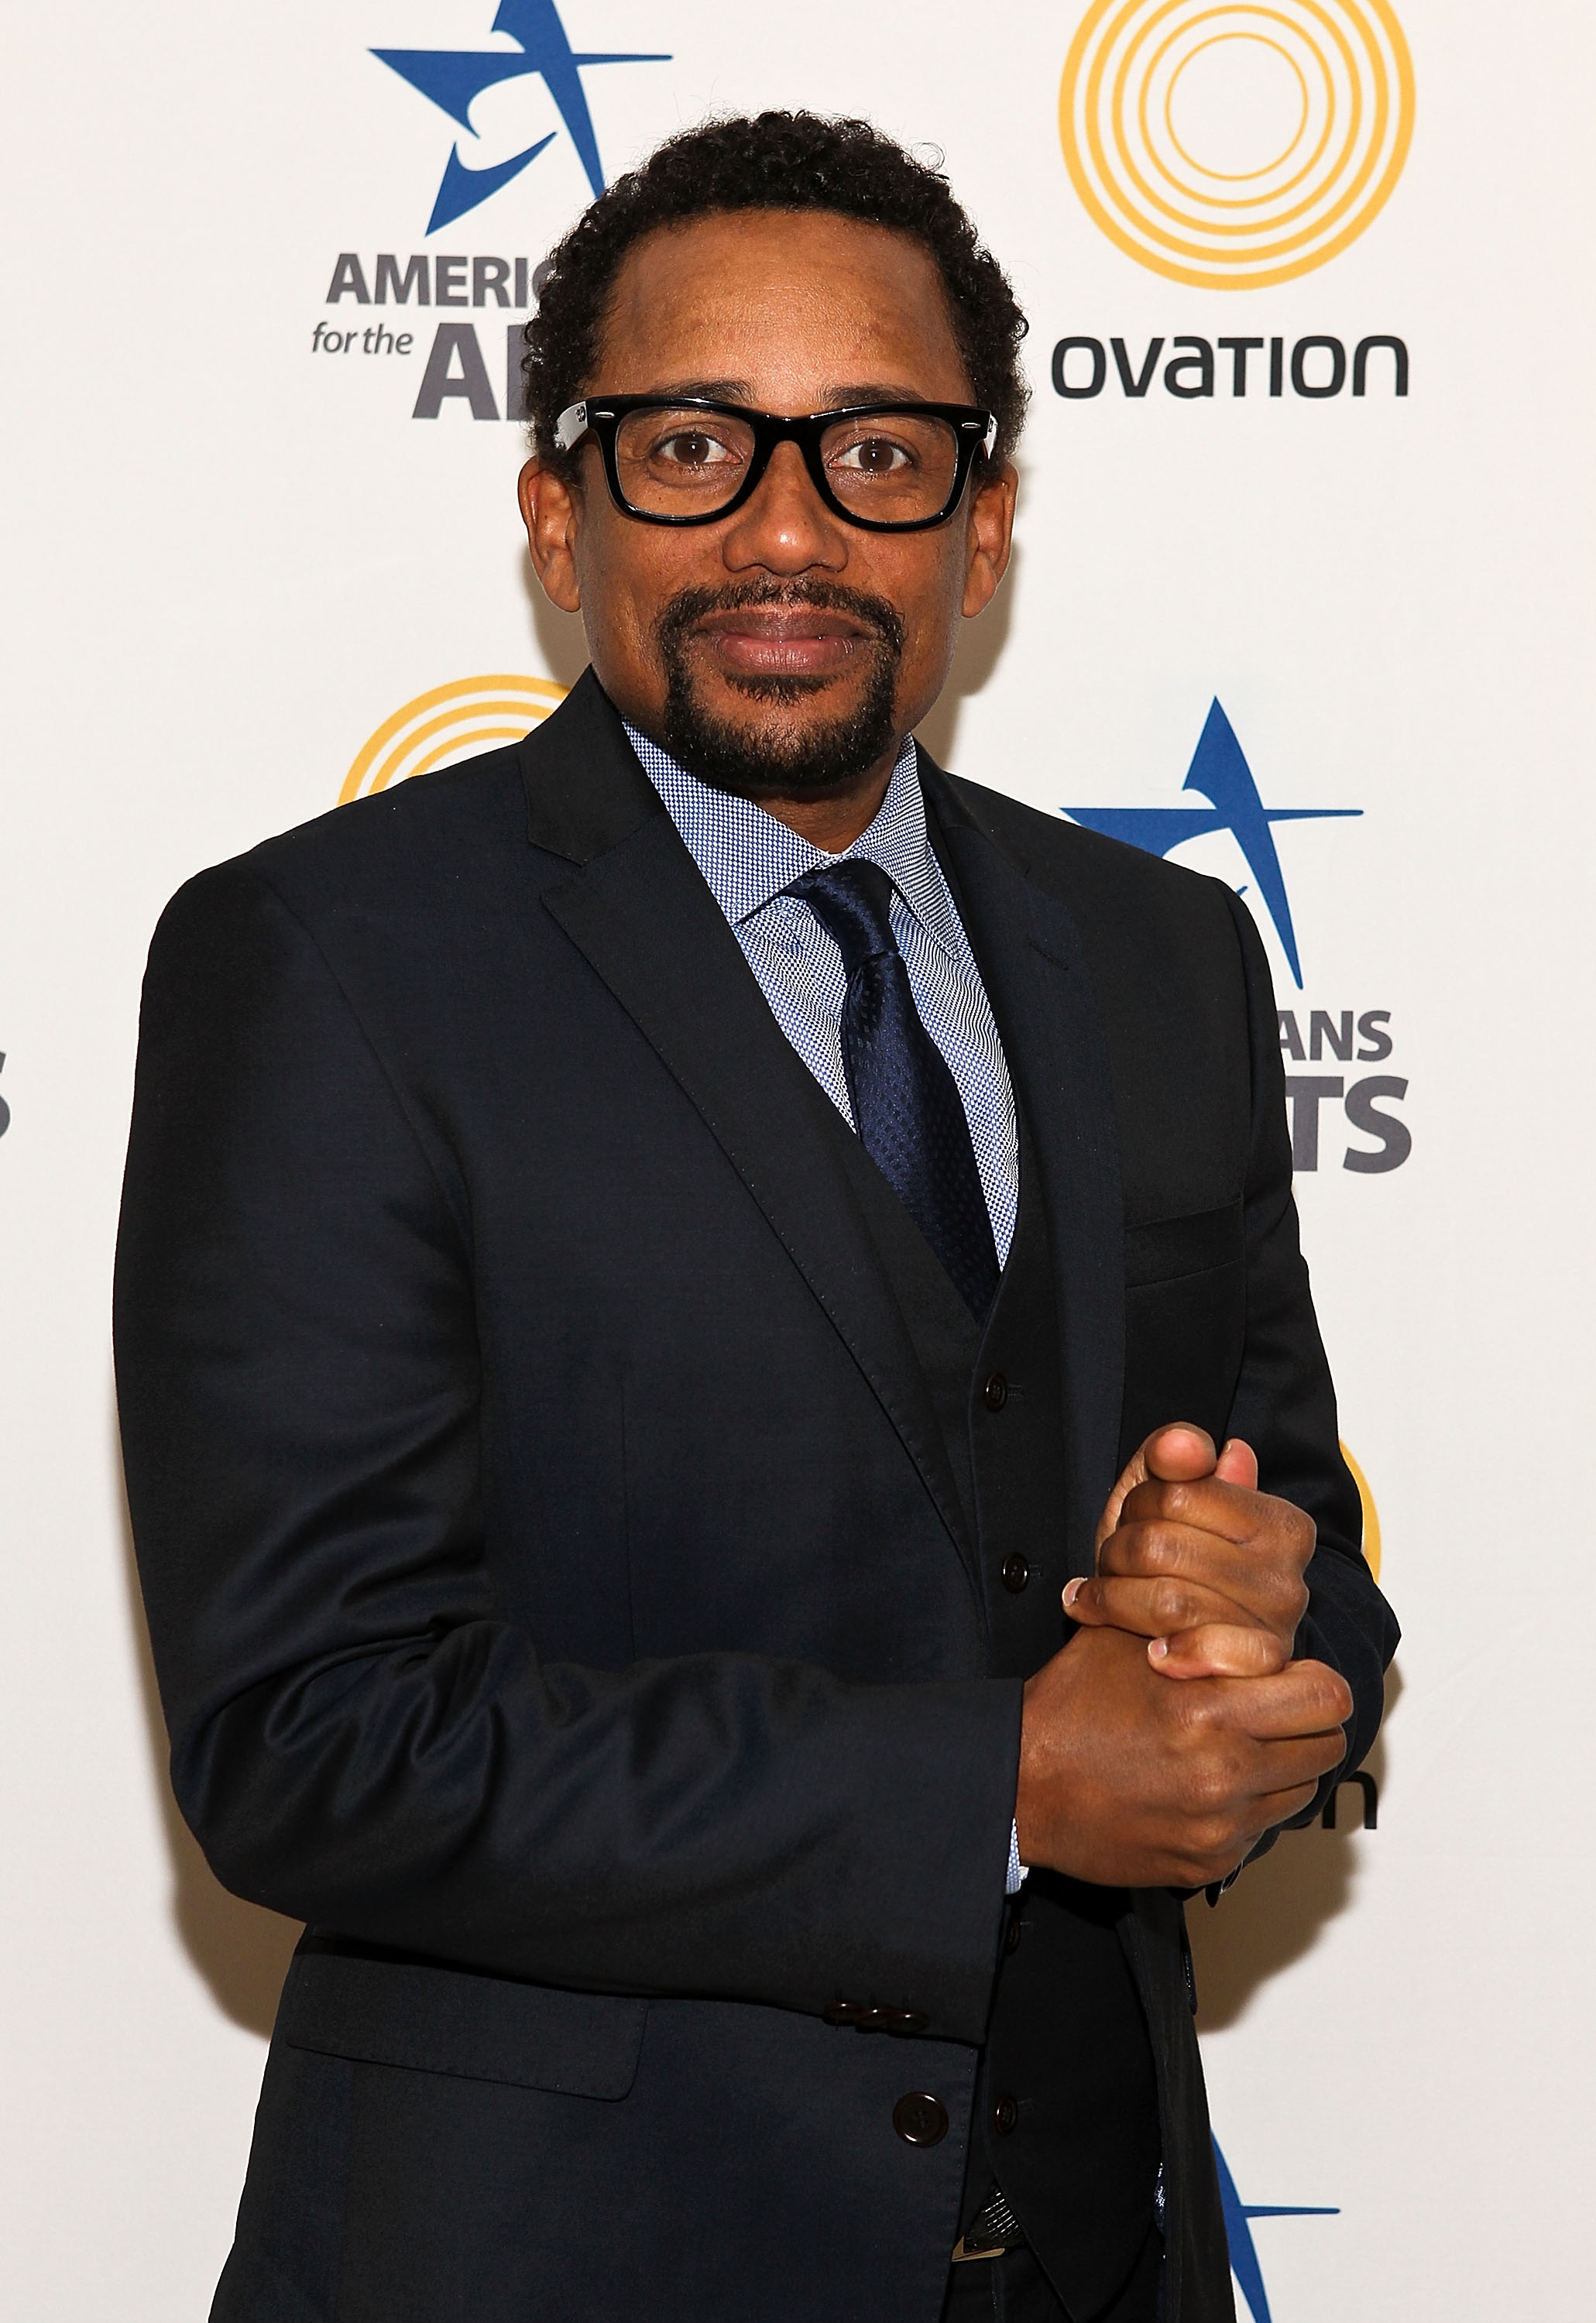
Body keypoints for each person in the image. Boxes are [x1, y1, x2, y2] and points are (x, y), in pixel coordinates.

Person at [115, 112, 1396, 2323]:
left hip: (1092, 2253)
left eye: (878, 452)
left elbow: (1304, 1565)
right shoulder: (326, 961)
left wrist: (1278, 1630)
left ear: (982, 524)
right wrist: (1000, 1780)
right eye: (695, 445)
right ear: (558, 507)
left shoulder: (1162, 955)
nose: (788, 530)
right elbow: (308, 1742)